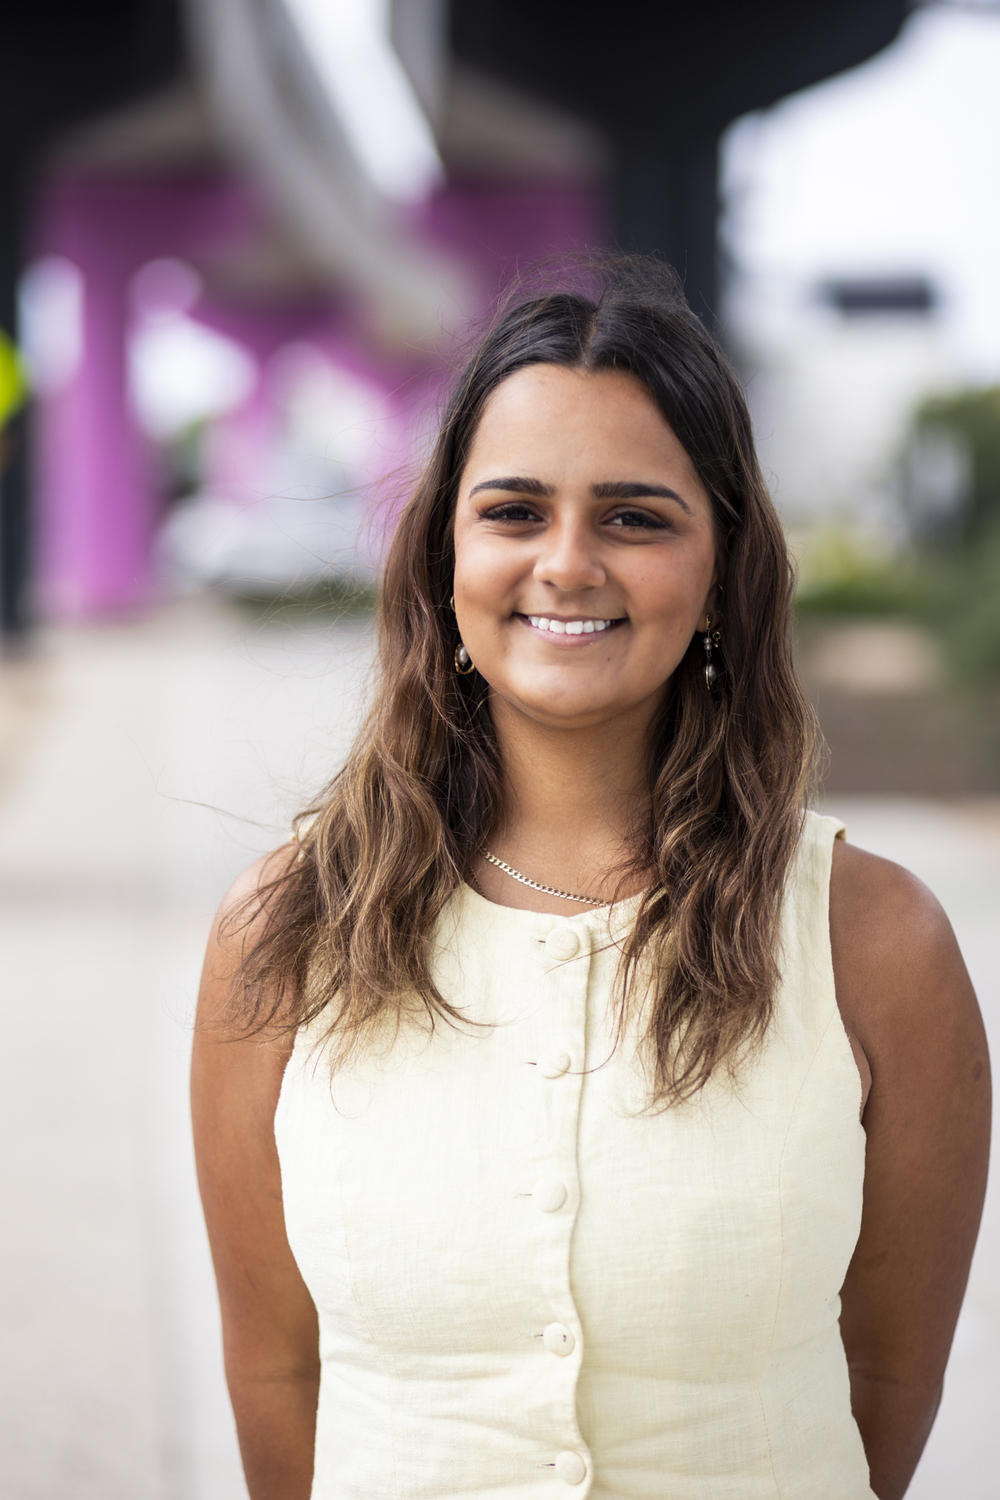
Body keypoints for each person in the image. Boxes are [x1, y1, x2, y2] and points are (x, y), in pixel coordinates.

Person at [191, 256, 990, 1500]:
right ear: (442, 556)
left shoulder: (875, 942)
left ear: (722, 567)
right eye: (514, 511)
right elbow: (273, 1373)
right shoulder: (285, 930)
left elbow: (888, 1378)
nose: (566, 563)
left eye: (634, 517)